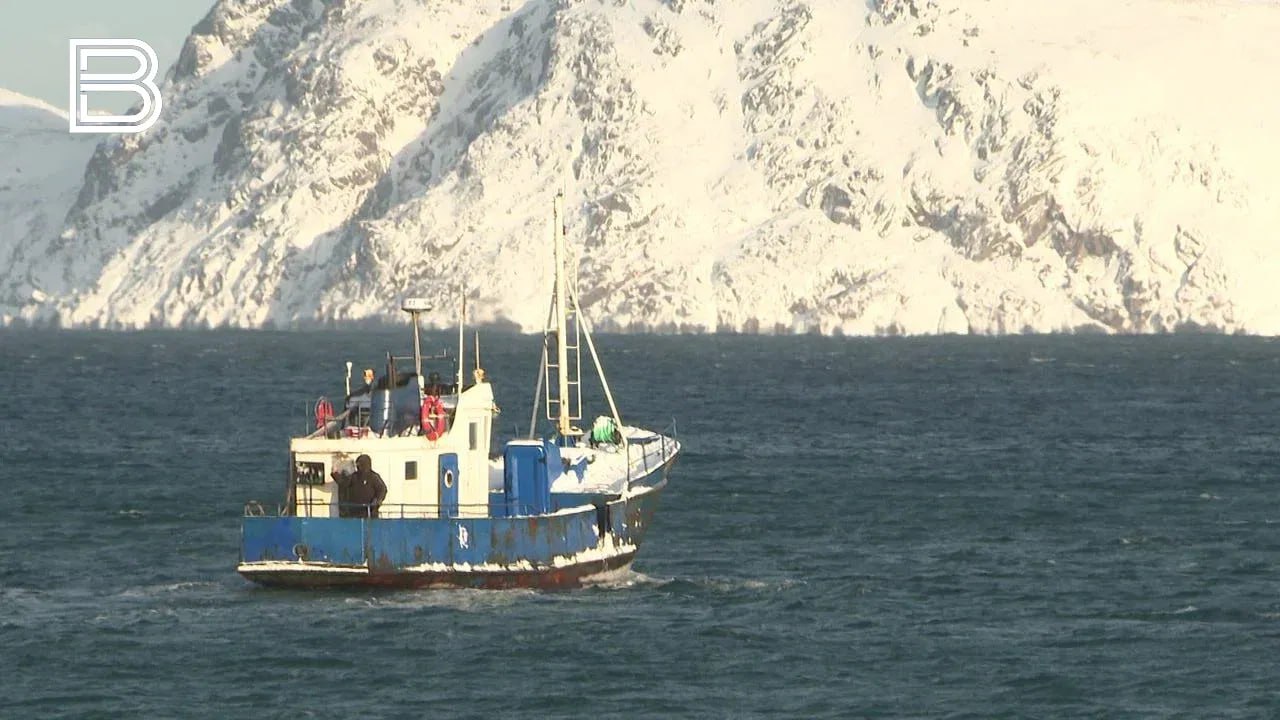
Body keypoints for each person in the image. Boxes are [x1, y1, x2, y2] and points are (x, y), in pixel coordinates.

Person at [331, 454, 388, 518]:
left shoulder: (373, 477)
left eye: (359, 464)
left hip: (370, 513)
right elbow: (343, 483)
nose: (358, 466)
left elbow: (382, 489)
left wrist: (377, 500)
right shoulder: (354, 476)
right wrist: (335, 474)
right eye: (357, 465)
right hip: (354, 513)